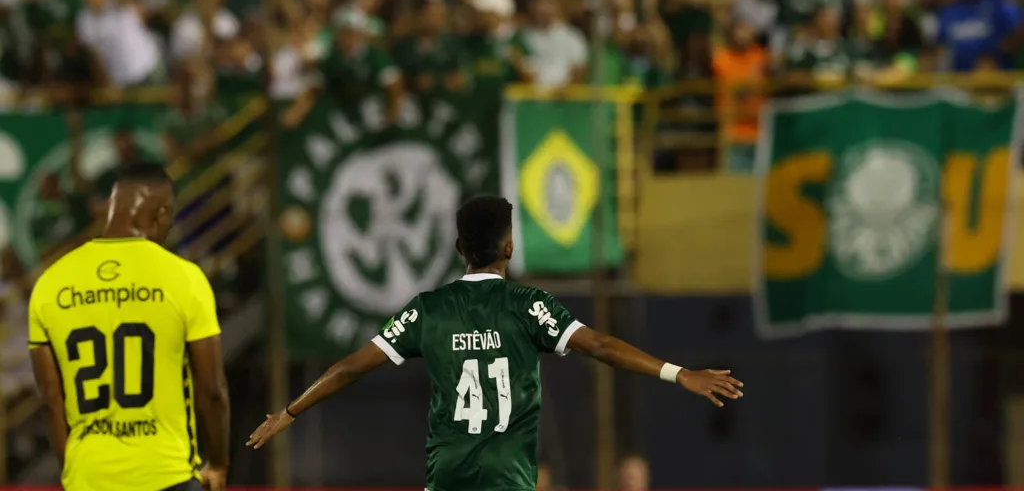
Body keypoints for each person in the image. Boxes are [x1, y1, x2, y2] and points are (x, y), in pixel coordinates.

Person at [248, 195, 743, 490]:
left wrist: (289, 412)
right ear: (509, 247)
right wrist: (679, 373)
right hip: (509, 481)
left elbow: (351, 368)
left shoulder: (428, 309)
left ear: (460, 249)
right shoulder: (529, 305)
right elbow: (602, 347)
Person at [27, 162, 231, 491]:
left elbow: (50, 399)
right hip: (167, 474)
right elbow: (211, 391)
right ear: (162, 212)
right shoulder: (185, 278)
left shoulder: (50, 284)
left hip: (89, 478)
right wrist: (219, 463)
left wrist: (74, 473)